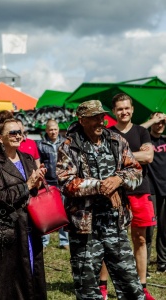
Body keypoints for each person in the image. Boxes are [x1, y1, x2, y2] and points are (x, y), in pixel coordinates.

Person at [56, 100, 145, 299]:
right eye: (94, 117)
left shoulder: (116, 141)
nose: (100, 121)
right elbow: (66, 182)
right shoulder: (69, 146)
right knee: (87, 286)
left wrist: (118, 179)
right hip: (85, 228)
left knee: (130, 282)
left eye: (101, 116)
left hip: (115, 224)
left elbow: (136, 172)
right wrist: (100, 186)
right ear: (82, 120)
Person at [0, 117, 47, 300]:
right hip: (7, 230)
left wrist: (38, 184)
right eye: (12, 132)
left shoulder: (27, 159)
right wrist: (27, 185)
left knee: (32, 275)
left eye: (20, 132)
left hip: (30, 226)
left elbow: (34, 191)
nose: (18, 135)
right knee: (9, 282)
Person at [109, 93, 156, 300]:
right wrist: (134, 155)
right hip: (114, 193)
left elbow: (148, 157)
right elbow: (105, 158)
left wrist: (119, 156)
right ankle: (103, 287)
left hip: (139, 191)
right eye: (120, 109)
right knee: (109, 240)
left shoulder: (141, 131)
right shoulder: (107, 133)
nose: (124, 112)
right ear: (114, 112)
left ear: (132, 109)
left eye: (127, 108)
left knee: (140, 239)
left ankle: (142, 286)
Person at [37, 119, 69, 250]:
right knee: (48, 213)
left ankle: (64, 240)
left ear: (58, 129)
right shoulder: (41, 144)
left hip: (62, 181)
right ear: (46, 130)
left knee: (63, 211)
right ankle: (45, 241)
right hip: (48, 182)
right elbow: (38, 162)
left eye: (55, 129)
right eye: (50, 129)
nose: (53, 132)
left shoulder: (65, 143)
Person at [141, 112, 166, 274]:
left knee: (164, 229)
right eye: (157, 121)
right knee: (149, 229)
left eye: (163, 121)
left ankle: (162, 263)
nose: (160, 124)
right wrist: (152, 120)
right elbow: (136, 130)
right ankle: (145, 263)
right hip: (150, 190)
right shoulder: (145, 139)